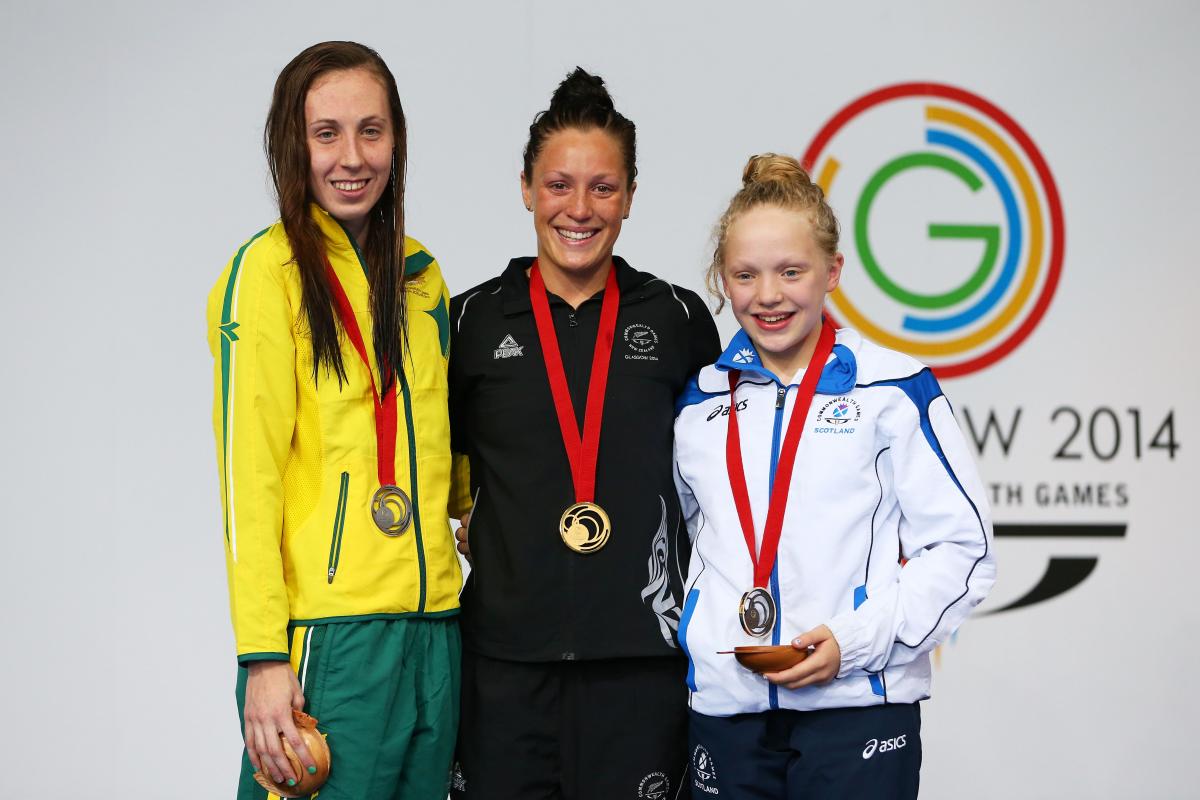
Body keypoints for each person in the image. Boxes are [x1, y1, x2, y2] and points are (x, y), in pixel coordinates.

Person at [673, 154, 996, 799]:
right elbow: (694, 545)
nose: (768, 296)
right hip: (729, 713)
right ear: (721, 280)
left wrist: (855, 642)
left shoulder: (894, 388)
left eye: (791, 271)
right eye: (746, 275)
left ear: (833, 273)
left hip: (857, 710)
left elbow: (965, 550)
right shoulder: (700, 404)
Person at [447, 68, 721, 799]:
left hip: (641, 665)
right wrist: (471, 512)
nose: (579, 208)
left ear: (630, 194)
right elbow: (430, 459)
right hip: (504, 668)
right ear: (527, 188)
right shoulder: (470, 321)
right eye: (559, 184)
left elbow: (723, 477)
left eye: (602, 187)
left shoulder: (679, 318)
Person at [206, 41, 461, 800]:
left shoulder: (421, 278)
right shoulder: (268, 273)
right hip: (333, 636)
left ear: (397, 140)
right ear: (294, 143)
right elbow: (245, 477)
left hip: (436, 628)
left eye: (371, 131)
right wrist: (262, 656)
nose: (352, 157)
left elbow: (447, 442)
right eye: (327, 133)